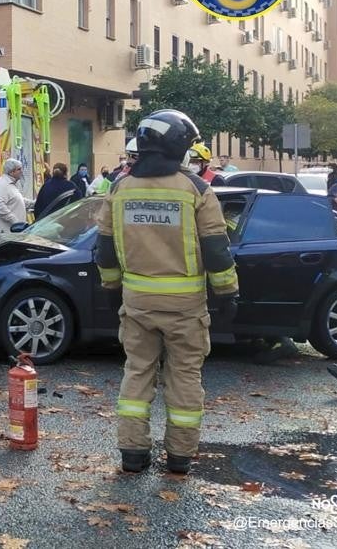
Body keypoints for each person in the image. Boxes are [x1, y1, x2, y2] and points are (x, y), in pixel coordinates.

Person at [96, 109, 238, 476]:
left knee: (137, 372)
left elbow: (105, 249)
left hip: (137, 304)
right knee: (185, 378)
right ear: (178, 147)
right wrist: (227, 294)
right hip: (186, 307)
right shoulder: (197, 191)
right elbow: (217, 250)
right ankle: (179, 458)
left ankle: (132, 454)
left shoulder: (119, 189)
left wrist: (112, 288)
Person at [0, 158, 27, 232]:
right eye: (19, 169)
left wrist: (34, 203)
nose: (21, 171)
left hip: (12, 231)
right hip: (4, 232)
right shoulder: (3, 184)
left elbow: (18, 200)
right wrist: (15, 221)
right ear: (11, 172)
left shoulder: (11, 184)